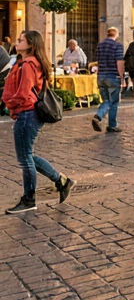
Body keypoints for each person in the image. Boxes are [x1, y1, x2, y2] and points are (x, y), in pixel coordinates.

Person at [4, 30, 76, 214]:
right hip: (28, 113)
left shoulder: (29, 64)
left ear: (31, 45)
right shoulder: (24, 62)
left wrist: (9, 104)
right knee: (27, 156)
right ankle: (62, 181)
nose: (17, 42)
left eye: (21, 40)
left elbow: (23, 92)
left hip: (27, 113)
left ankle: (29, 199)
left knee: (25, 159)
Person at [92, 27, 124, 133]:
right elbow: (119, 62)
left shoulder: (100, 45)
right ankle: (103, 119)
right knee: (113, 101)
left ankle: (106, 122)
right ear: (116, 34)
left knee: (106, 100)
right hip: (113, 76)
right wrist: (122, 77)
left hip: (101, 76)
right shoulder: (117, 46)